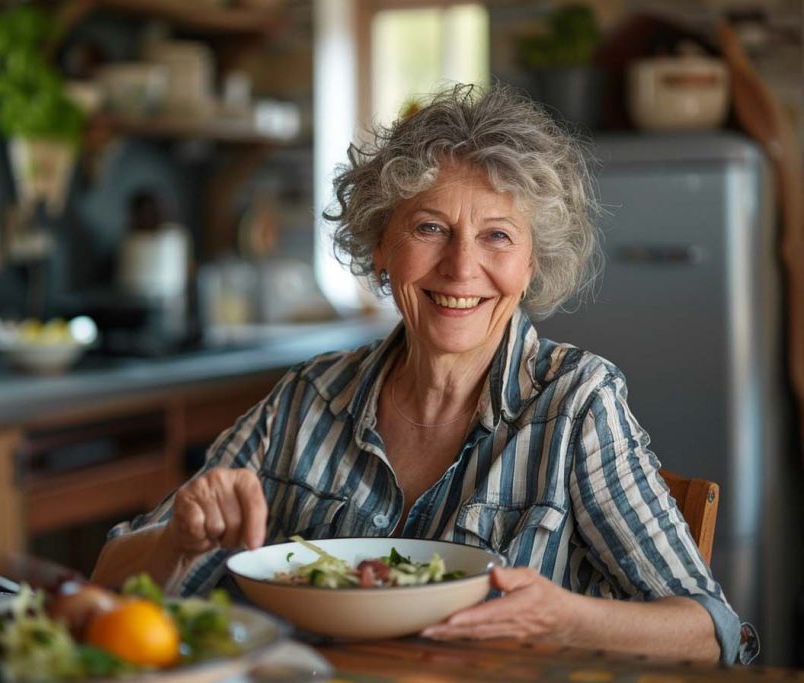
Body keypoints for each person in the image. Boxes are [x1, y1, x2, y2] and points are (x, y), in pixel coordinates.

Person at [93, 83, 751, 664]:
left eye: (497, 236)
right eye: (431, 227)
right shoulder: (308, 398)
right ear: (382, 243)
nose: (461, 269)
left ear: (530, 267)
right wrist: (178, 539)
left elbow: (711, 630)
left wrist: (564, 616)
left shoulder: (575, 403)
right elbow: (112, 584)